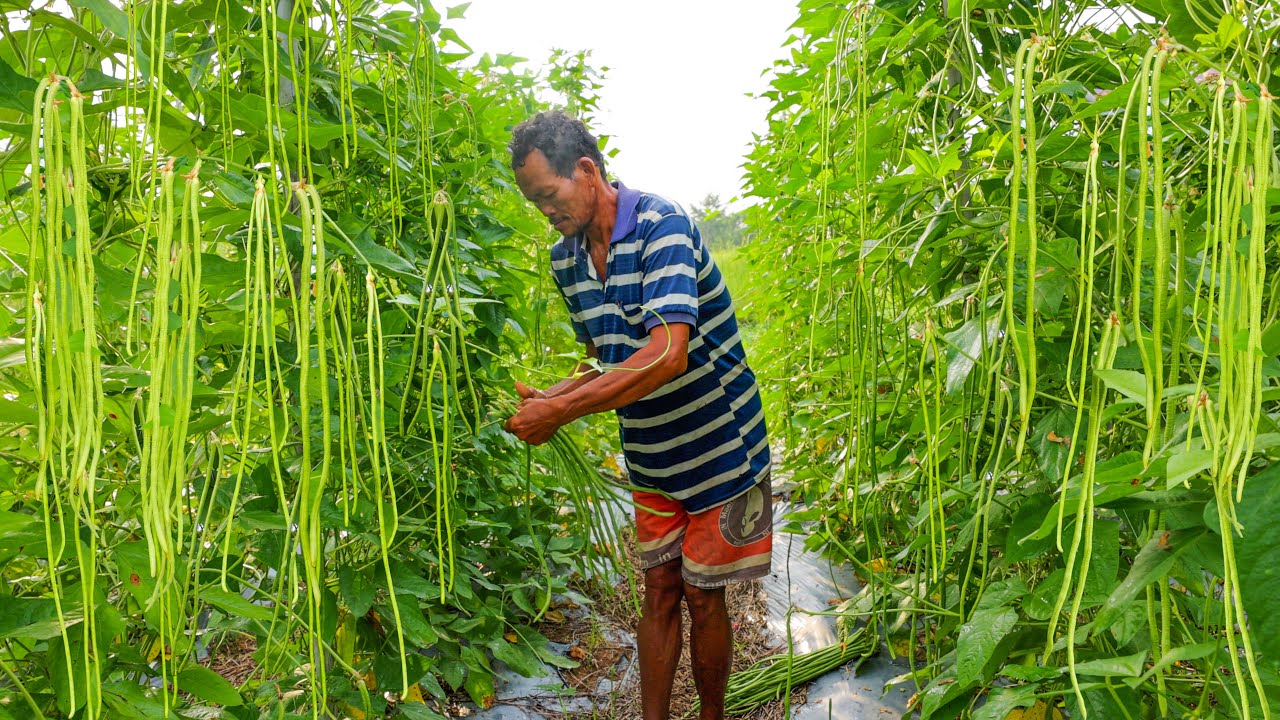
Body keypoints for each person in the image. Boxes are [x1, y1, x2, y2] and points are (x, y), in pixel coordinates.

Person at [503, 110, 772, 720]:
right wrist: (550, 396)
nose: (545, 210)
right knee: (658, 589)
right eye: (534, 201)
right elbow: (605, 357)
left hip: (720, 446)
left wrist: (563, 412)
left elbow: (667, 353)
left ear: (587, 170)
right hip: (650, 451)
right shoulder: (566, 260)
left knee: (703, 596)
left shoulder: (662, 226)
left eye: (549, 195)